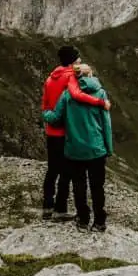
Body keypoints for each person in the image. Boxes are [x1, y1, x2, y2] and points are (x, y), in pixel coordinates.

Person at [40, 46, 110, 221]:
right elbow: (78, 96)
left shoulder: (50, 78)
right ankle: (60, 208)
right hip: (68, 131)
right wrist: (100, 102)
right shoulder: (71, 78)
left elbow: (47, 105)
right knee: (67, 173)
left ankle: (47, 205)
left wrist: (45, 114)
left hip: (52, 130)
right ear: (73, 62)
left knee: (52, 170)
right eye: (78, 59)